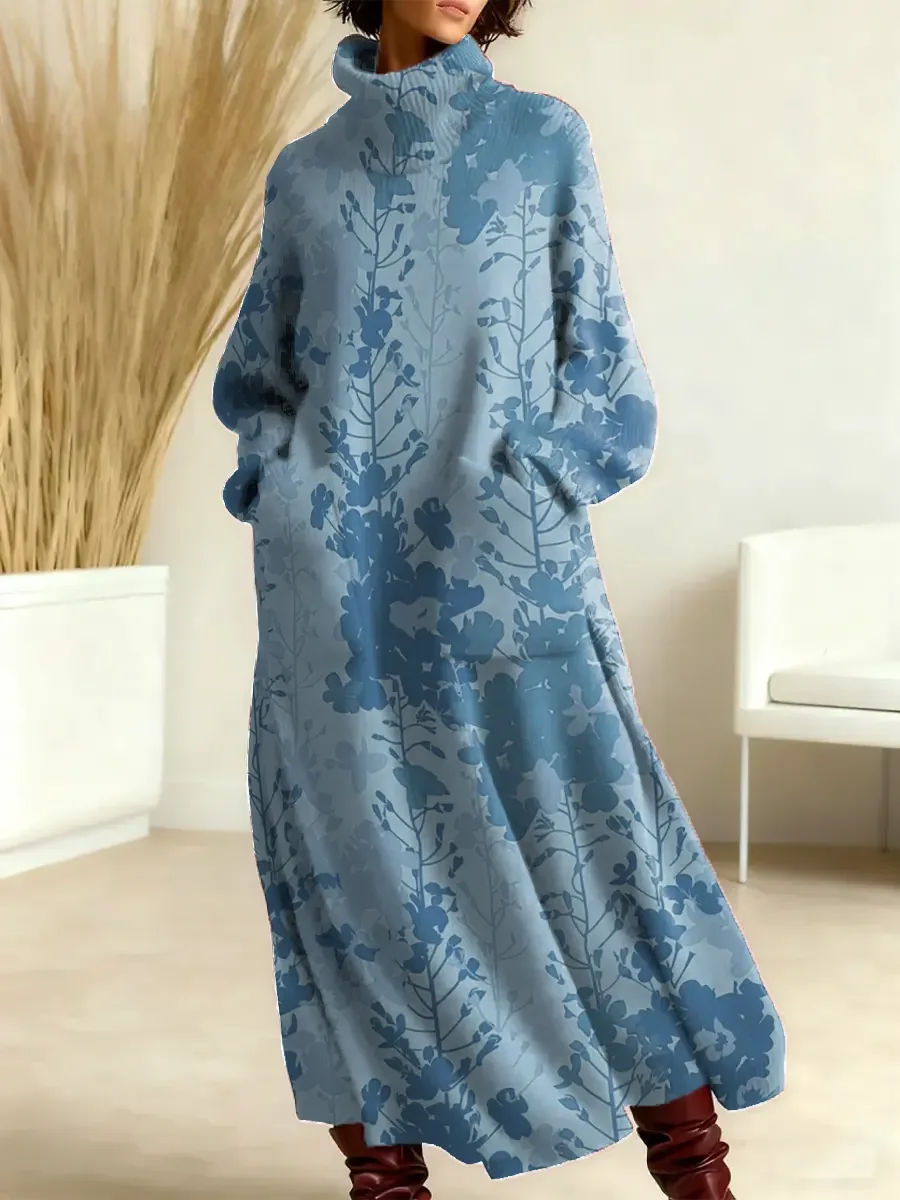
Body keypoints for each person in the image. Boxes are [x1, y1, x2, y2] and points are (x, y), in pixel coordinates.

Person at [212, 1, 786, 1197]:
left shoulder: (541, 139)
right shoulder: (307, 174)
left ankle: (697, 1173)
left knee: (602, 866)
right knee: (357, 881)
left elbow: (602, 360)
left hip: (508, 576)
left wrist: (536, 487)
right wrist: (285, 493)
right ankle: (386, 1180)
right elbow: (260, 376)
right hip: (335, 607)